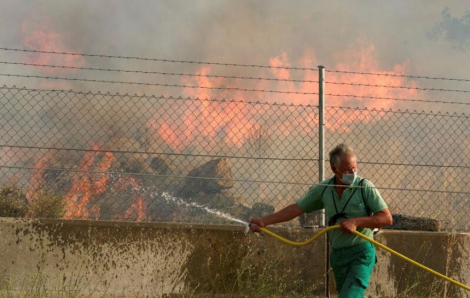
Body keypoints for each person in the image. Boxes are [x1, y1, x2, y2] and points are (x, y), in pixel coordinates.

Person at [249, 143, 393, 298]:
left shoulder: (365, 187)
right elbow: (296, 209)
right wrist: (264, 221)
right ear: (334, 169)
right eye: (346, 170)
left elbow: (386, 218)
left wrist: (356, 222)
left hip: (361, 253)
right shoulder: (324, 189)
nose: (352, 173)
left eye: (354, 168)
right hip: (338, 256)